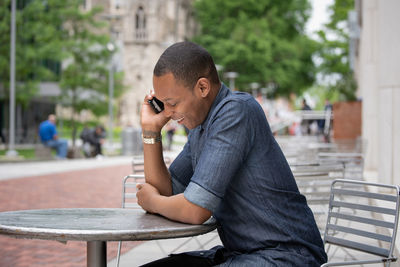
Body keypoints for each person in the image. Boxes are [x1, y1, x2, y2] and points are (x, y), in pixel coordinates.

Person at [136, 41, 327, 266]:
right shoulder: (200, 128)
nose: (167, 113)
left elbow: (195, 210)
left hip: (288, 254)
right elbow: (166, 191)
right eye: (162, 104)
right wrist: (151, 130)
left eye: (172, 103)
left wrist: (153, 202)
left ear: (202, 88)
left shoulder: (236, 111)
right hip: (245, 255)